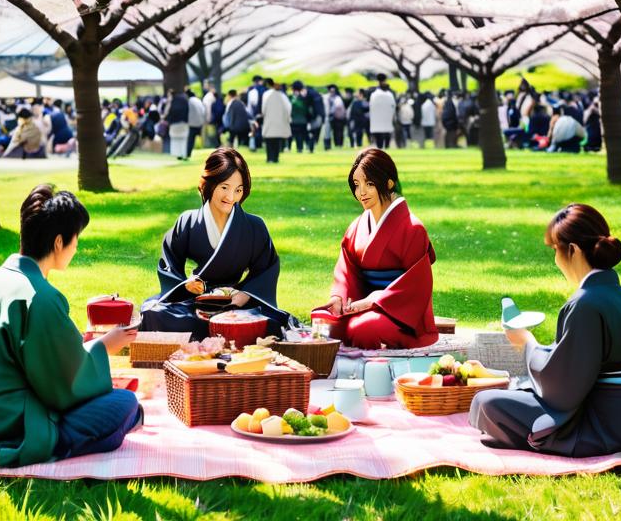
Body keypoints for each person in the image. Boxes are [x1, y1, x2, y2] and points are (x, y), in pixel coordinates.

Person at [0, 185, 142, 467]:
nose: (77, 246)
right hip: (10, 423)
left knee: (122, 406)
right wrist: (104, 347)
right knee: (125, 404)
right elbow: (64, 389)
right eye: (76, 238)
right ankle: (57, 443)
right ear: (58, 242)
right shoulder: (39, 296)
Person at [469, 204, 621, 457]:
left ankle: (546, 439)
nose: (556, 260)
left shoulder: (585, 303)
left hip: (601, 428)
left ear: (573, 250)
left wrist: (526, 342)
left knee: (486, 403)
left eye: (556, 251)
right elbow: (579, 361)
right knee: (510, 394)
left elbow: (561, 389)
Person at [140, 148, 295, 339]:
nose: (231, 197)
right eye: (224, 187)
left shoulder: (254, 226)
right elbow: (169, 263)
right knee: (154, 313)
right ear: (210, 184)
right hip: (195, 301)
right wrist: (186, 286)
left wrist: (245, 294)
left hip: (237, 303)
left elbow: (267, 269)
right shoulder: (187, 221)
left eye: (238, 190)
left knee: (269, 322)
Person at [314, 148, 438, 349]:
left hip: (402, 316)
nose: (361, 192)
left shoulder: (412, 229)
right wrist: (339, 298)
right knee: (324, 324)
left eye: (369, 184)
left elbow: (416, 286)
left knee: (361, 329)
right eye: (356, 185)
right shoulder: (356, 227)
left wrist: (375, 300)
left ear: (388, 183)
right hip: (363, 306)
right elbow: (346, 272)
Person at [261, 78, 291, 163]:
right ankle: (275, 158)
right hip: (279, 122)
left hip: (269, 121)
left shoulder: (266, 94)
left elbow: (263, 109)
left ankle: (270, 158)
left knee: (269, 141)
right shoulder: (283, 96)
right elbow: (288, 109)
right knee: (276, 142)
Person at [368, 76, 395, 150]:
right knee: (384, 137)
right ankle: (384, 148)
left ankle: (382, 148)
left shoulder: (374, 94)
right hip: (384, 120)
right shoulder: (389, 94)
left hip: (379, 121)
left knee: (382, 137)